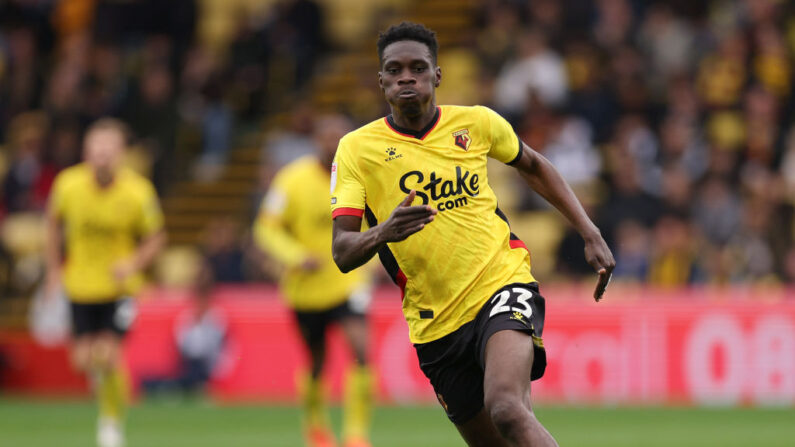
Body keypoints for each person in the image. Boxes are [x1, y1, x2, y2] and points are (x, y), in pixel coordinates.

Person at [330, 23, 615, 447]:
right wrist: (384, 231)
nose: (406, 76)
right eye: (394, 69)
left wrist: (589, 231)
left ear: (437, 75)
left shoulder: (477, 123)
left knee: (506, 407)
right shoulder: (356, 149)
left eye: (417, 68)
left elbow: (534, 165)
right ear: (382, 80)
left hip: (500, 281)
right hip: (435, 323)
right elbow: (342, 250)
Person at [44, 118, 167, 447]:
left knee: (109, 354)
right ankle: (106, 390)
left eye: (109, 150)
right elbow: (53, 228)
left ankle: (111, 423)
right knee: (83, 360)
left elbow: (156, 238)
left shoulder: (139, 191)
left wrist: (133, 263)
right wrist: (53, 271)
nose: (102, 156)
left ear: (121, 154)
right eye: (96, 150)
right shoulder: (67, 185)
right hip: (81, 285)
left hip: (120, 289)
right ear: (86, 152)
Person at [254, 115, 374, 447]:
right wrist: (295, 256)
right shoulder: (291, 180)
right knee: (316, 360)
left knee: (362, 351)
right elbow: (266, 227)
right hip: (305, 288)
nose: (333, 144)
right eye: (327, 137)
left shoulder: (360, 175)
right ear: (315, 140)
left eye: (340, 137)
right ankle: (316, 424)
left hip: (348, 281)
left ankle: (356, 435)